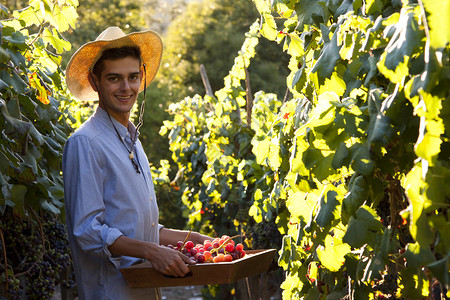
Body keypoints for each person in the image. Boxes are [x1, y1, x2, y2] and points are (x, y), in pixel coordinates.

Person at [63, 27, 211, 300]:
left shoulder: (133, 142)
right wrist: (150, 251)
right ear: (95, 82)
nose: (126, 87)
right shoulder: (86, 142)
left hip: (143, 292)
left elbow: (141, 228)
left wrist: (198, 239)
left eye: (133, 77)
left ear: (141, 78)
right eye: (114, 78)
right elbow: (87, 231)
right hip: (111, 293)